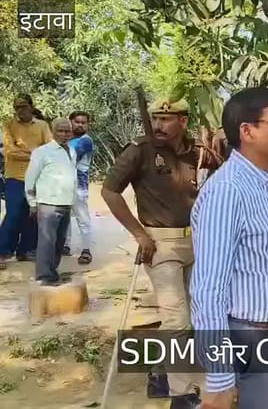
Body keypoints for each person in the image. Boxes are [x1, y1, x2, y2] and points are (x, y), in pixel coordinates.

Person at [101, 98, 220, 408]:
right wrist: (139, 233)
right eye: (155, 118)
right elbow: (109, 191)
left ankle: (161, 372)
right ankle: (183, 394)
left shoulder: (195, 152)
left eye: (166, 119)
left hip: (197, 242)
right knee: (176, 320)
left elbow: (222, 167)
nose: (158, 125)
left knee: (197, 317)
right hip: (159, 243)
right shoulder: (140, 150)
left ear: (183, 121)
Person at [191, 87, 268, 409]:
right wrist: (220, 379)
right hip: (250, 341)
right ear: (248, 131)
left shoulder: (267, 185)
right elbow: (208, 289)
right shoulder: (228, 191)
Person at [0, 95, 51, 270]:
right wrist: (36, 154)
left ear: (31, 106)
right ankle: (2, 251)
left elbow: (49, 149)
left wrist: (28, 153)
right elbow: (10, 151)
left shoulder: (42, 126)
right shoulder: (9, 125)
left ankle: (25, 250)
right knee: (13, 214)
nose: (19, 110)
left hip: (37, 177)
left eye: (22, 106)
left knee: (33, 215)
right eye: (16, 107)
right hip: (15, 177)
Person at [25, 118, 77, 285]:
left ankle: (52, 272)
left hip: (66, 202)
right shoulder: (42, 152)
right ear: (53, 132)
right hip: (48, 203)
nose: (64, 134)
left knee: (60, 241)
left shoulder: (72, 151)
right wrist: (32, 202)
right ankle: (44, 276)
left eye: (67, 131)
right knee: (47, 241)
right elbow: (30, 178)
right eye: (60, 131)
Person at [63, 111, 95, 264]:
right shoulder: (68, 140)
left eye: (83, 122)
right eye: (77, 122)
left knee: (82, 218)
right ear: (70, 122)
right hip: (63, 184)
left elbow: (69, 158)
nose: (80, 125)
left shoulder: (85, 141)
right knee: (65, 216)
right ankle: (66, 245)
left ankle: (86, 249)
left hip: (78, 185)